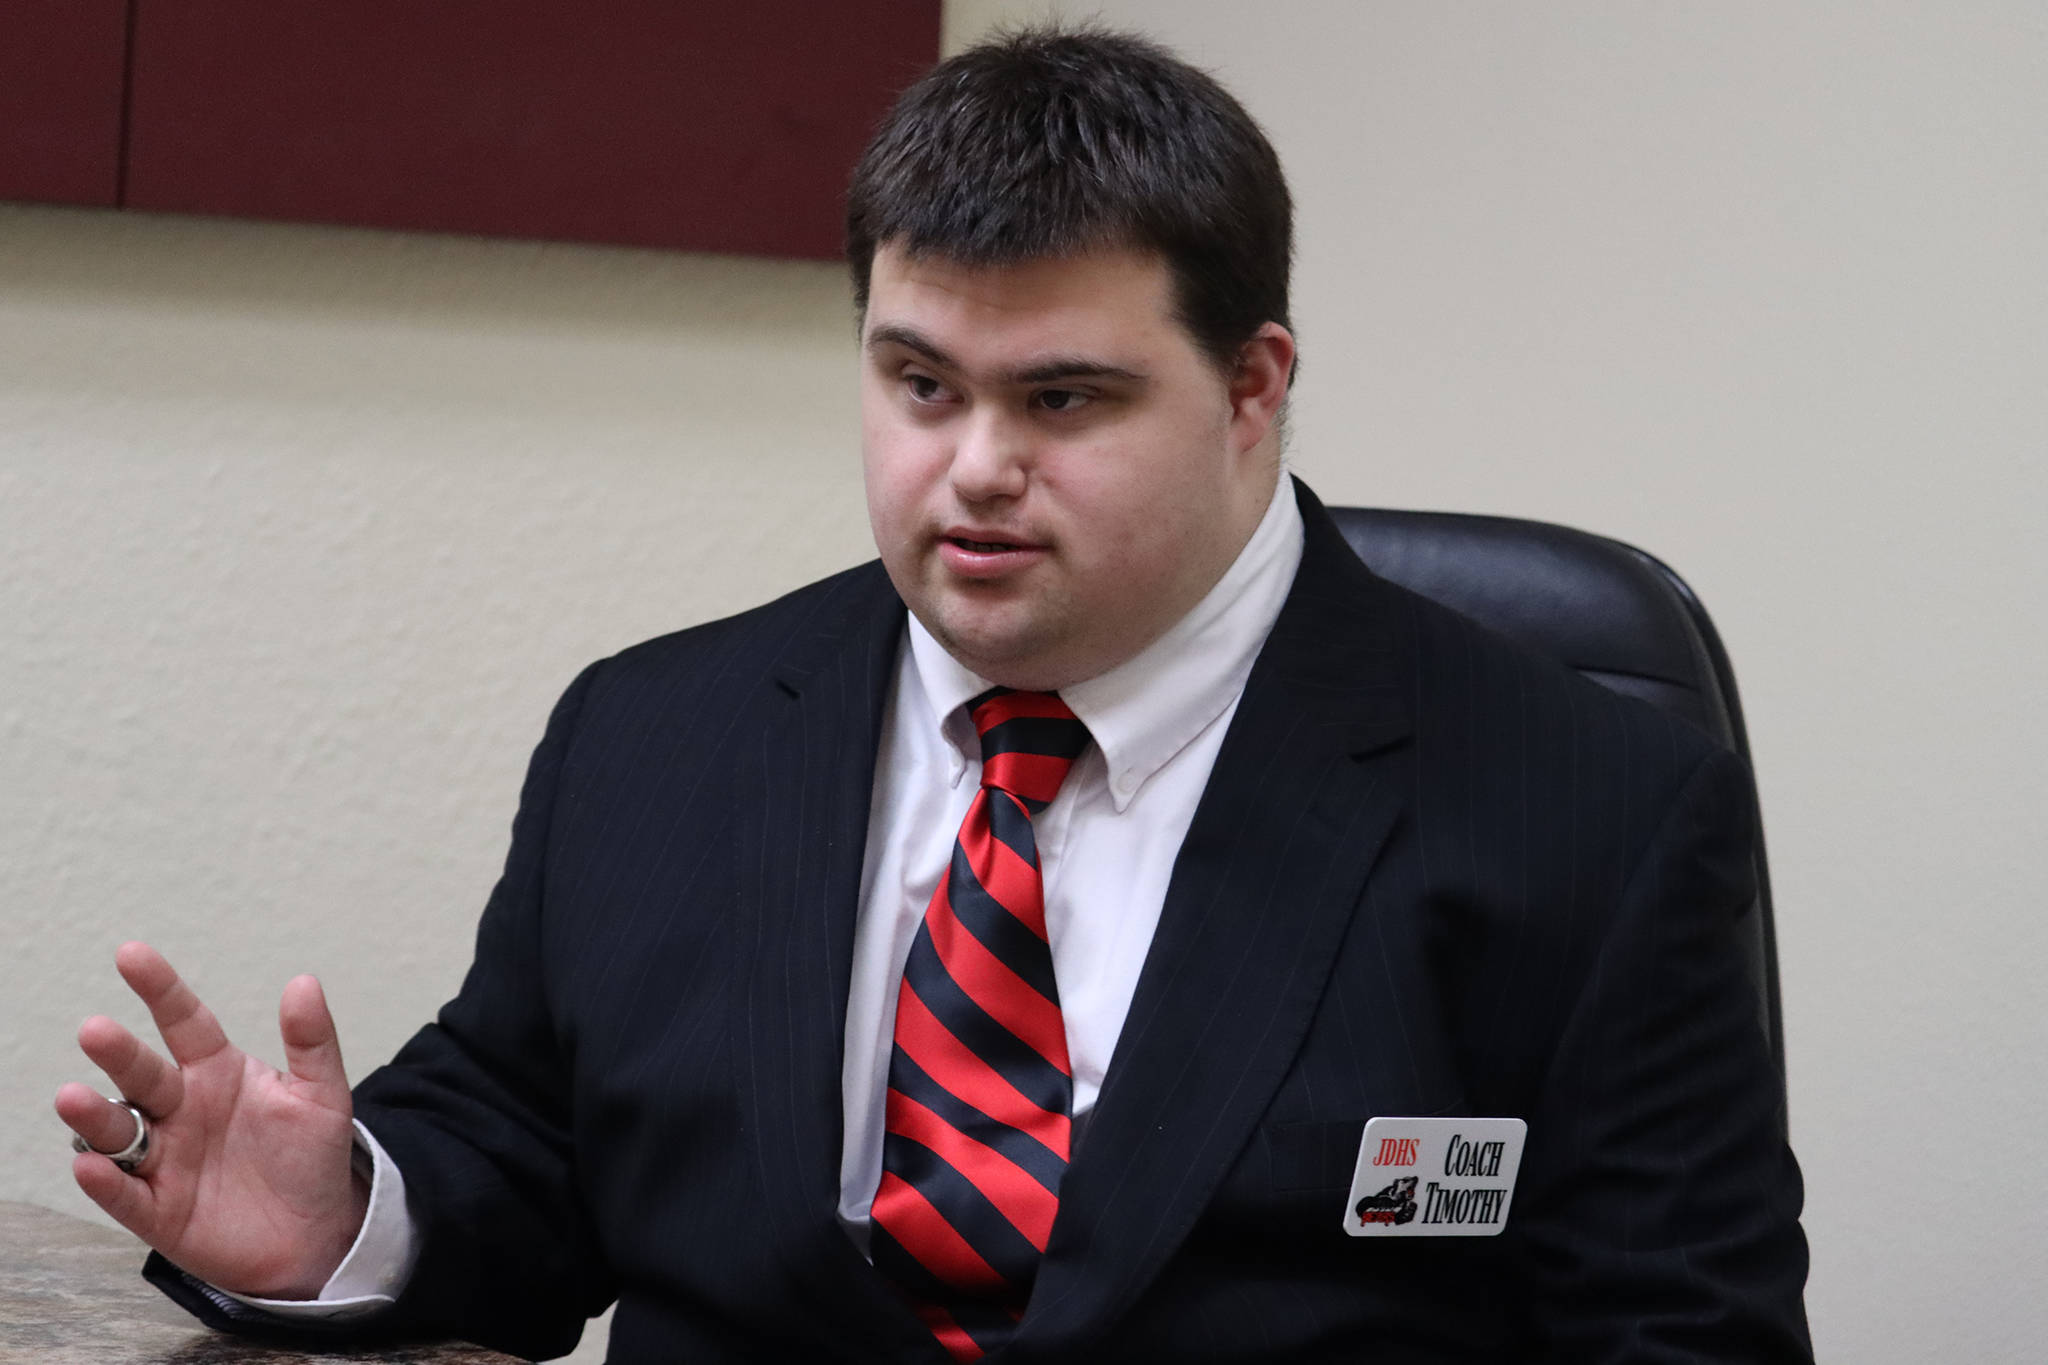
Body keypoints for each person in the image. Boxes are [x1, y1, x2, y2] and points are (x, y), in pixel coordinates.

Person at [55, 27, 1811, 1364]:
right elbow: (532, 1151)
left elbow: (1682, 1338)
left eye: (1063, 401)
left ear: (1253, 385)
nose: (972, 470)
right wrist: (350, 1212)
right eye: (918, 382)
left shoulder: (1587, 804)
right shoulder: (656, 736)